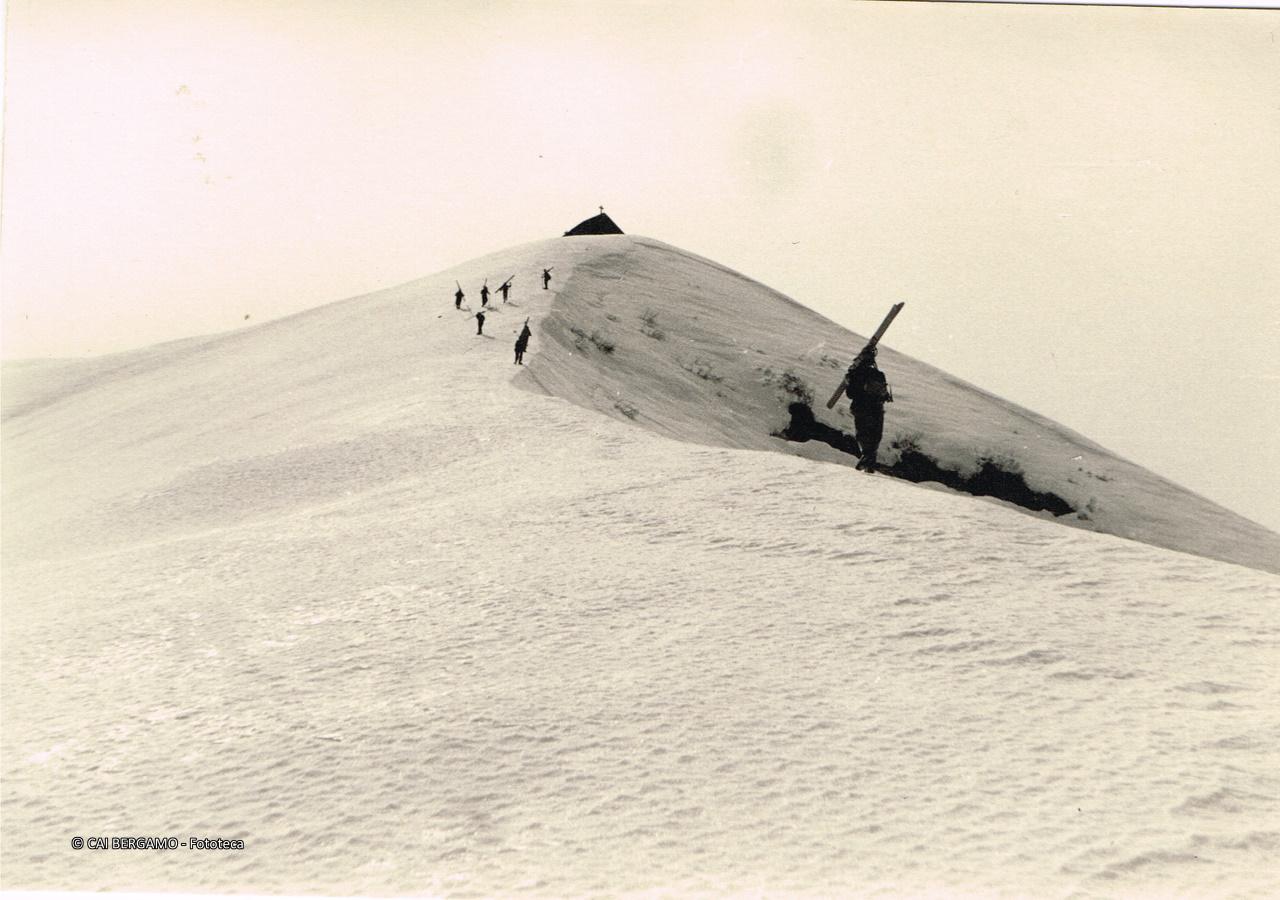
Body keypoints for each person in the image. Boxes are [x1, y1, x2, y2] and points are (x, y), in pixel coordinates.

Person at [844, 346, 892, 473]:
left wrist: (849, 380)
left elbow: (850, 394)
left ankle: (866, 460)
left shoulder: (855, 373)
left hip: (861, 407)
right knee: (875, 436)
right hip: (877, 408)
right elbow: (884, 395)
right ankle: (869, 464)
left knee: (863, 434)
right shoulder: (879, 374)